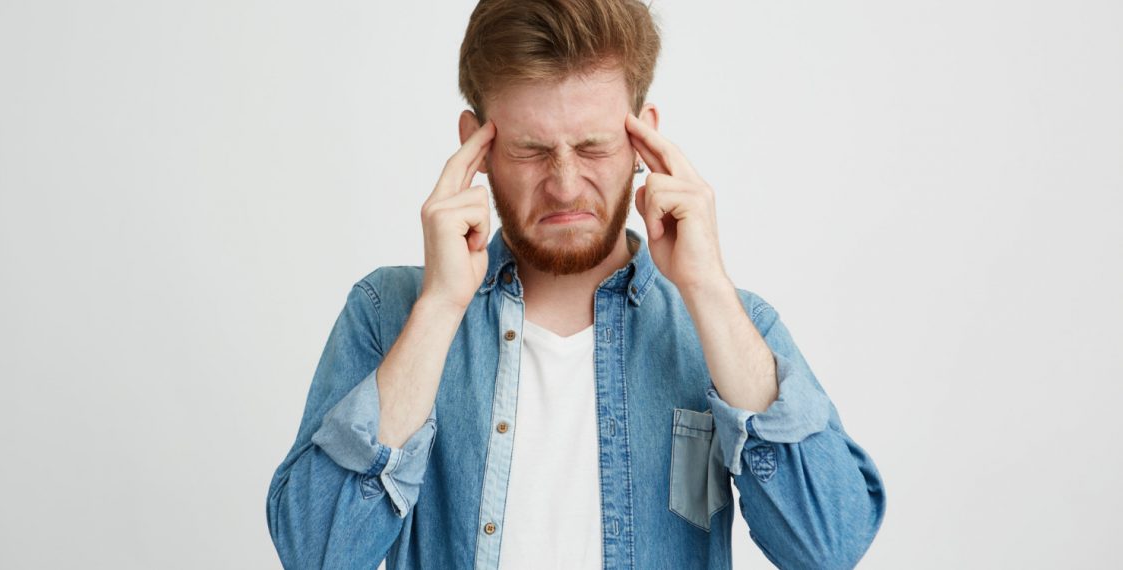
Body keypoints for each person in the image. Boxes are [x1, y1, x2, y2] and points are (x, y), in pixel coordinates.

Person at [266, 1, 886, 568]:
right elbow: (316, 555)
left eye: (593, 147)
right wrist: (441, 306)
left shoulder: (730, 325)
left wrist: (707, 289)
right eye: (531, 150)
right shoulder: (389, 313)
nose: (564, 186)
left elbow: (828, 546)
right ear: (475, 148)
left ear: (644, 141)